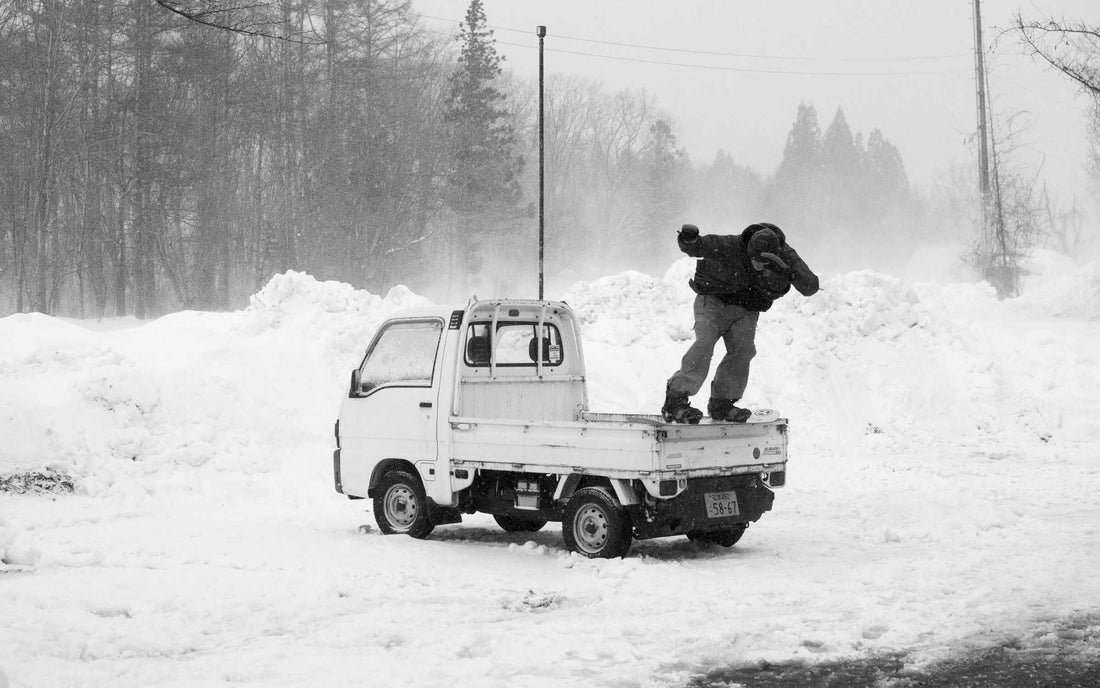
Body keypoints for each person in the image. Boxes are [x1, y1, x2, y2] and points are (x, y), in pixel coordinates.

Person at [662, 222, 819, 423]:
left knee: (743, 349)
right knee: (705, 342)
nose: (759, 266)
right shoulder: (733, 245)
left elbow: (811, 286)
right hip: (713, 300)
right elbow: (700, 245)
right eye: (755, 260)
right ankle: (675, 400)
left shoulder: (787, 256)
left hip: (747, 307)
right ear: (748, 251)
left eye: (764, 264)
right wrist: (688, 239)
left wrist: (790, 272)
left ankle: (722, 403)